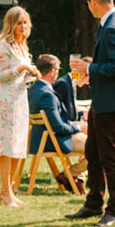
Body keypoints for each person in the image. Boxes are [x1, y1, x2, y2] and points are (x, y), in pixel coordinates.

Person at [65, 0, 115, 227]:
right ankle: (93, 203)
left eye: (88, 3)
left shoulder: (114, 27)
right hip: (103, 98)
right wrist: (89, 74)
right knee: (93, 152)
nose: (89, 8)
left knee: (110, 156)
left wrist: (90, 67)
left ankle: (114, 210)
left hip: (110, 102)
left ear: (93, 1)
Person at [0, 7, 38, 206]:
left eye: (25, 22)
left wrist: (29, 74)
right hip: (5, 100)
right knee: (7, 147)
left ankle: (7, 189)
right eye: (19, 23)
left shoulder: (22, 47)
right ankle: (6, 191)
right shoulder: (4, 45)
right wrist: (23, 67)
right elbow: (1, 75)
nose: (23, 26)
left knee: (19, 146)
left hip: (19, 99)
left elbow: (19, 76)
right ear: (11, 25)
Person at [26, 54, 83, 191]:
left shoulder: (33, 89)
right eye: (58, 69)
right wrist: (77, 127)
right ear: (52, 72)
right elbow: (57, 126)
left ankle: (76, 178)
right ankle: (72, 176)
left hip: (39, 138)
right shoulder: (49, 93)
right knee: (97, 147)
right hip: (52, 141)